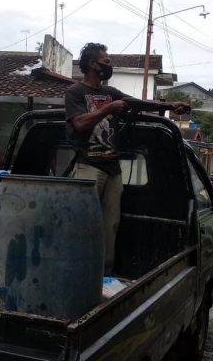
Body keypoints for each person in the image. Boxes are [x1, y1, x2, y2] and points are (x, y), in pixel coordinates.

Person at [65, 42, 189, 271]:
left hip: (112, 169)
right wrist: (107, 109)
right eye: (106, 61)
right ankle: (77, 273)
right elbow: (79, 123)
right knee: (82, 226)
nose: (108, 65)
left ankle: (104, 277)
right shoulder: (75, 93)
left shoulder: (109, 93)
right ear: (93, 64)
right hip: (88, 167)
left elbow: (137, 103)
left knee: (110, 228)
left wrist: (170, 105)